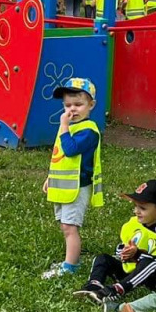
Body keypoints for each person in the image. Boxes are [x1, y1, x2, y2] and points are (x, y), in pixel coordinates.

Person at [41, 76, 102, 279]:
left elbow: (70, 149)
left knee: (70, 227)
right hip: (64, 185)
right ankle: (71, 259)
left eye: (78, 104)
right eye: (67, 105)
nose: (72, 109)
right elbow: (60, 157)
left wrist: (64, 126)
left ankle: (70, 266)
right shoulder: (70, 127)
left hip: (77, 187)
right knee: (64, 225)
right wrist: (51, 178)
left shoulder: (89, 131)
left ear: (91, 105)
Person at [78, 179, 156, 307]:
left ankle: (117, 290)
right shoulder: (133, 224)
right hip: (130, 270)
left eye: (142, 208)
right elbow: (120, 249)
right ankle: (94, 285)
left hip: (153, 278)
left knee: (150, 262)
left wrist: (137, 254)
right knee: (103, 258)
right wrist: (125, 252)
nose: (136, 211)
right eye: (135, 206)